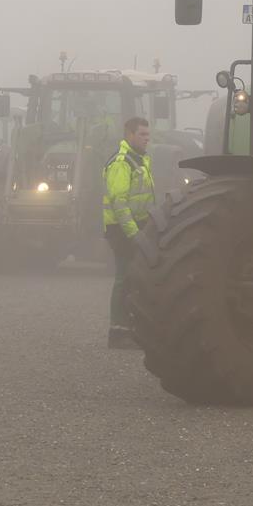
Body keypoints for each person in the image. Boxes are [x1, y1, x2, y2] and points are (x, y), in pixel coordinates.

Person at [102, 116, 155, 349]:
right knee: (124, 278)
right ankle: (118, 331)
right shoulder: (121, 163)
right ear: (129, 135)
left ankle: (132, 328)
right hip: (122, 228)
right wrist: (134, 233)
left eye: (148, 134)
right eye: (142, 134)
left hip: (137, 225)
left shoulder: (140, 160)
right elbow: (119, 203)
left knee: (135, 278)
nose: (147, 138)